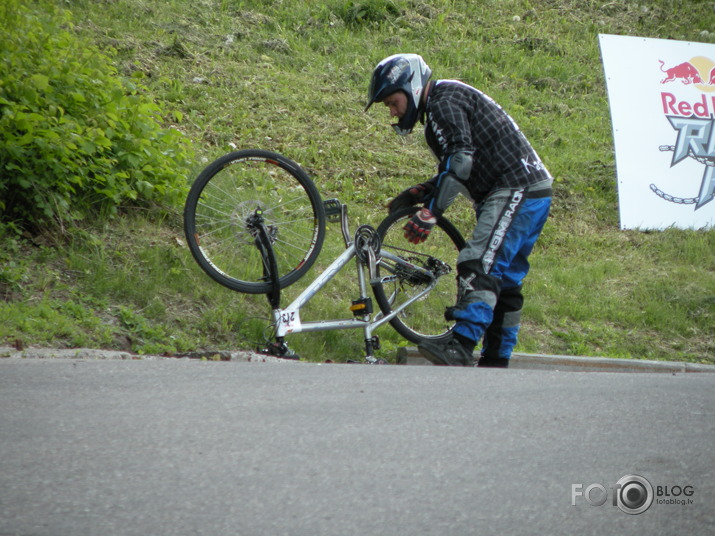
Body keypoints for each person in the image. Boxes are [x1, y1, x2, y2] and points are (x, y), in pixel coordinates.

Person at [365, 54, 553, 367]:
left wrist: (431, 212)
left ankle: (462, 345)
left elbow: (461, 162)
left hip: (514, 188)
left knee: (478, 262)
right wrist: (421, 192)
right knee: (505, 281)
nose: (394, 112)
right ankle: (496, 359)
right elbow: (459, 163)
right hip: (534, 191)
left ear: (411, 87)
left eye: (393, 102)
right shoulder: (446, 98)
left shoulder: (442, 103)